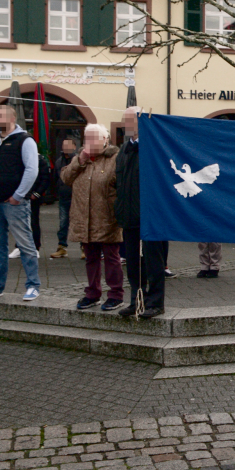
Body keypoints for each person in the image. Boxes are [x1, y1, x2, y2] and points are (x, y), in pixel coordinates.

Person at [0, 105, 41, 302]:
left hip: (14, 204)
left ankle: (33, 285)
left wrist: (18, 196)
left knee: (25, 245)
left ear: (12, 118)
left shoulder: (25, 140)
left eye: (1, 115)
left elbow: (32, 170)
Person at [61, 124, 125, 311]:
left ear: (105, 140)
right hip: (84, 218)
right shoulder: (80, 159)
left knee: (112, 258)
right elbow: (65, 178)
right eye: (87, 138)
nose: (90, 142)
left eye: (94, 138)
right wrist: (79, 161)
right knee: (91, 258)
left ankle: (115, 294)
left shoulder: (115, 159)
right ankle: (92, 293)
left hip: (107, 218)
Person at [115, 106, 167, 319]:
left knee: (153, 262)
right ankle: (136, 300)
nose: (124, 124)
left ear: (140, 122)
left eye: (128, 120)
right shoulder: (124, 149)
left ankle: (156, 302)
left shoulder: (153, 146)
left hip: (151, 216)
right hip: (129, 216)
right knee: (134, 264)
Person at [9, 152, 50, 259]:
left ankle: (35, 247)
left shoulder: (40, 159)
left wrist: (37, 193)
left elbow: (45, 178)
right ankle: (19, 247)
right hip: (19, 195)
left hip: (32, 196)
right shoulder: (17, 158)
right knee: (18, 222)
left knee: (33, 221)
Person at [50, 138, 77, 259]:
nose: (65, 147)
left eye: (68, 145)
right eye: (64, 145)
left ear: (74, 147)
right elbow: (56, 178)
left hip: (76, 197)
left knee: (79, 223)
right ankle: (62, 247)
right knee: (63, 223)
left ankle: (83, 248)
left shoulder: (78, 160)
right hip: (63, 197)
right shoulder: (59, 161)